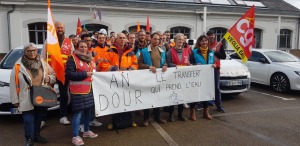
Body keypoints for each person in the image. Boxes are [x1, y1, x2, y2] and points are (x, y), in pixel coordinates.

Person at [10, 43, 56, 146]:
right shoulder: (18, 65)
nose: (32, 53)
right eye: (29, 51)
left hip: (41, 95)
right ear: (25, 52)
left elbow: (53, 75)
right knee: (28, 120)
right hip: (26, 96)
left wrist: (49, 78)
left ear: (37, 51)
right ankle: (29, 139)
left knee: (39, 118)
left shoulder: (43, 62)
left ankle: (36, 136)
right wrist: (15, 100)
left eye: (34, 50)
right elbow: (13, 84)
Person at [102, 32, 138, 129]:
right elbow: (104, 64)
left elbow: (135, 63)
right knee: (115, 100)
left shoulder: (130, 51)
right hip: (114, 80)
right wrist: (113, 69)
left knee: (128, 100)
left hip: (127, 80)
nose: (122, 39)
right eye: (120, 38)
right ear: (116, 39)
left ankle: (130, 120)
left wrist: (131, 69)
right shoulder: (110, 50)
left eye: (123, 38)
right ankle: (113, 121)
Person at [65, 41, 98, 146]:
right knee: (78, 114)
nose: (84, 48)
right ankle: (75, 136)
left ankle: (86, 131)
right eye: (81, 47)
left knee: (88, 112)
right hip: (78, 90)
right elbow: (69, 75)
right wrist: (85, 74)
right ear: (77, 48)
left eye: (85, 46)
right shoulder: (72, 59)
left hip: (89, 89)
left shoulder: (90, 58)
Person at [42, 21, 74, 125]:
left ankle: (63, 116)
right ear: (54, 29)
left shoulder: (69, 41)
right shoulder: (48, 41)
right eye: (58, 28)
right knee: (46, 94)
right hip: (50, 73)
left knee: (64, 95)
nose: (60, 29)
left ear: (64, 29)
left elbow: (72, 57)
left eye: (61, 28)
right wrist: (44, 71)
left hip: (63, 73)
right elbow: (42, 57)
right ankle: (42, 118)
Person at [139, 32, 167, 126]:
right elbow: (139, 64)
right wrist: (148, 67)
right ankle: (146, 118)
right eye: (155, 39)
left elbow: (165, 62)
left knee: (158, 98)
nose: (156, 41)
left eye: (158, 39)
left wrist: (165, 66)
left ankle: (157, 117)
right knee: (147, 98)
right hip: (148, 78)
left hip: (158, 78)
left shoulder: (162, 51)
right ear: (150, 39)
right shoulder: (144, 51)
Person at [166, 33, 191, 122]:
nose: (181, 41)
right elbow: (168, 63)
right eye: (179, 39)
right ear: (175, 41)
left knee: (182, 96)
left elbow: (188, 62)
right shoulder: (170, 52)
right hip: (173, 77)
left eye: (182, 39)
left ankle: (180, 114)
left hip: (183, 77)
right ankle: (171, 115)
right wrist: (177, 66)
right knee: (173, 96)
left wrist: (189, 65)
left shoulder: (186, 51)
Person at [189, 35, 214, 121]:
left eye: (206, 41)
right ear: (199, 42)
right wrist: (195, 65)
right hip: (197, 76)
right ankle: (192, 112)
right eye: (202, 41)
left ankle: (205, 112)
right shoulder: (195, 52)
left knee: (206, 94)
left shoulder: (211, 52)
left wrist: (215, 65)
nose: (204, 42)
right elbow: (190, 63)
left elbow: (214, 62)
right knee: (195, 94)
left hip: (207, 76)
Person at [206, 30, 226, 113]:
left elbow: (223, 56)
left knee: (216, 88)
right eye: (209, 35)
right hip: (205, 69)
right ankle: (203, 104)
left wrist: (216, 52)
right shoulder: (204, 43)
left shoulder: (219, 44)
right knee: (205, 87)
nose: (211, 36)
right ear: (207, 36)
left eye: (212, 35)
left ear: (214, 35)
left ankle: (219, 105)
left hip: (215, 68)